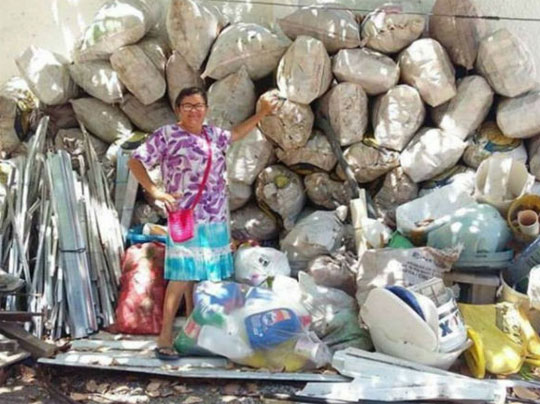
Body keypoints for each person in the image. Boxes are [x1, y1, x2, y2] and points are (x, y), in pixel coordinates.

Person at [128, 87, 278, 360]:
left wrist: (262, 113)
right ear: (178, 110)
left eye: (198, 105)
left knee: (207, 276)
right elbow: (135, 161)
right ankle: (164, 336)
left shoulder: (212, 135)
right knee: (182, 276)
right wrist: (155, 191)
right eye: (187, 105)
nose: (193, 110)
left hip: (216, 218)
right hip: (186, 217)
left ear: (206, 109)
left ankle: (194, 332)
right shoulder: (167, 135)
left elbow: (235, 135)